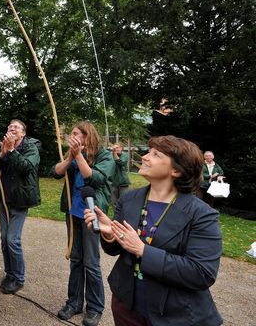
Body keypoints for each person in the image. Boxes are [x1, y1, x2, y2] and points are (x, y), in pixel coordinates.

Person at [84, 136, 223, 326]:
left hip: (176, 316)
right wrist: (110, 234)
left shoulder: (202, 214)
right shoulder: (129, 200)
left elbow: (202, 273)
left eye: (156, 154)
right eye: (149, 151)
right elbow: (116, 250)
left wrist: (143, 250)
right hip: (127, 309)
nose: (145, 157)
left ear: (176, 170)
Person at [52, 121, 114, 326]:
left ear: (88, 136)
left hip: (92, 212)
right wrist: (71, 156)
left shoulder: (104, 155)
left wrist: (78, 156)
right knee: (76, 259)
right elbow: (56, 171)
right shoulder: (73, 153)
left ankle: (95, 308)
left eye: (77, 133)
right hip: (73, 212)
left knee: (91, 262)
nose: (73, 136)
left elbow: (94, 178)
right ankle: (74, 302)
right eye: (72, 133)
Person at [0, 119, 40, 294]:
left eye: (16, 127)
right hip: (5, 199)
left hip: (20, 200)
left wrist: (11, 150)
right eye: (10, 126)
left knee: (13, 240)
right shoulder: (6, 146)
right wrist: (3, 153)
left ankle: (18, 278)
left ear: (23, 133)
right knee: (4, 239)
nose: (12, 128)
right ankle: (9, 273)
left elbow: (26, 168)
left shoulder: (31, 148)